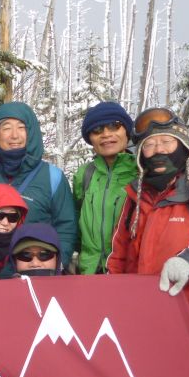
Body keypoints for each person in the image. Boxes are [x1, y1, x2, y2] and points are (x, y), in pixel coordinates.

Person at [106, 108, 189, 359]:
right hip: (142, 316)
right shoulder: (136, 195)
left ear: (182, 145)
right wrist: (112, 297)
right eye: (150, 145)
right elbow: (119, 253)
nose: (158, 150)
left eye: (167, 142)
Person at [0, 101, 77, 267]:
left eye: (21, 127)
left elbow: (66, 227)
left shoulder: (52, 177)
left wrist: (57, 265)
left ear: (31, 133)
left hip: (35, 271)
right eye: (6, 128)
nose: (14, 135)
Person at [73, 102, 138, 274]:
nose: (106, 134)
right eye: (97, 130)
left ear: (127, 131)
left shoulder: (141, 173)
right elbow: (77, 223)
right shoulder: (84, 174)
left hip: (128, 272)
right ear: (90, 138)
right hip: (89, 272)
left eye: (114, 126)